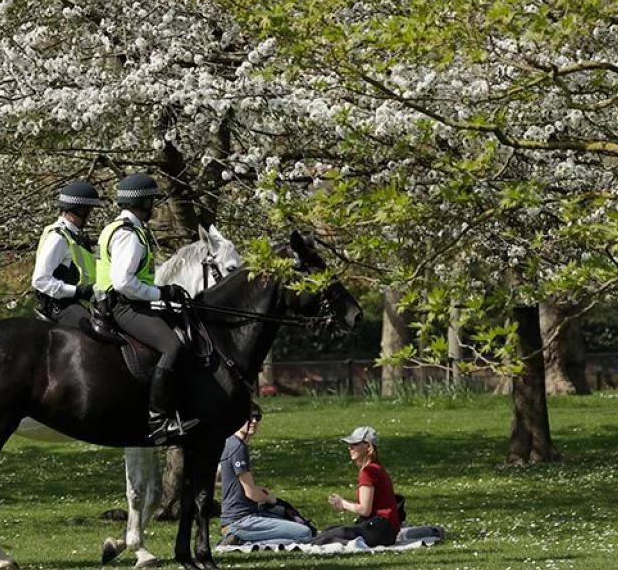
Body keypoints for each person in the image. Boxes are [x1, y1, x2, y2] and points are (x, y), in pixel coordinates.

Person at [94, 172, 197, 444]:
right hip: (123, 306)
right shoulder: (130, 235)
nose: (154, 206)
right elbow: (123, 282)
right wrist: (160, 292)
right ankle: (158, 419)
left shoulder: (117, 228)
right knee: (173, 345)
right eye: (152, 201)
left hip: (120, 302)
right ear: (142, 203)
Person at [218, 403, 316, 545]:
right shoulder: (238, 447)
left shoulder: (229, 443)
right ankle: (242, 541)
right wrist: (270, 499)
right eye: (249, 417)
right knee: (304, 533)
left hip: (240, 518)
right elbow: (250, 493)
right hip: (241, 521)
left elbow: (224, 480)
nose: (254, 422)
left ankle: (240, 537)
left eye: (258, 418)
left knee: (297, 526)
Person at [310, 426, 401, 547]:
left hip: (380, 529)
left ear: (368, 447)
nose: (350, 448)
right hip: (385, 530)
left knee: (325, 538)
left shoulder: (368, 471)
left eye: (355, 444)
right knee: (329, 530)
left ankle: (346, 543)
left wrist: (343, 503)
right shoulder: (376, 468)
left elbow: (364, 510)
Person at [31, 181, 101, 328]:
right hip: (58, 304)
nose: (89, 216)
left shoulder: (74, 236)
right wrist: (77, 292)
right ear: (78, 210)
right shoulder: (58, 238)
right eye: (88, 211)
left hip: (77, 301)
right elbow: (40, 280)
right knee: (92, 331)